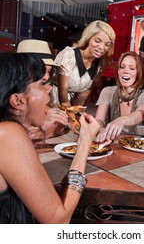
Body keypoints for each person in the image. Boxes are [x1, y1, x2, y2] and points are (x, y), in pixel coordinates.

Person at [0, 52, 100, 223]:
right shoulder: (8, 133)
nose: (49, 88)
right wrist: (85, 142)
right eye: (42, 83)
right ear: (17, 101)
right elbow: (58, 220)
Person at [50, 20, 116, 107]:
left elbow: (84, 94)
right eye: (97, 41)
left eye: (107, 44)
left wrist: (77, 114)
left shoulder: (101, 63)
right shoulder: (69, 55)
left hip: (72, 104)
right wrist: (71, 117)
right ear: (88, 38)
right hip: (54, 101)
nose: (101, 47)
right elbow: (63, 99)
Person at [95, 51, 144, 142]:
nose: (125, 71)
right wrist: (102, 130)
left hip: (138, 145)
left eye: (131, 68)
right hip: (113, 143)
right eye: (122, 67)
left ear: (138, 73)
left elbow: (142, 113)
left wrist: (121, 120)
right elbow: (99, 120)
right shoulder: (107, 91)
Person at [16, 39, 69, 140]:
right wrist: (42, 128)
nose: (46, 77)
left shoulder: (35, 94)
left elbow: (58, 119)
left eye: (49, 71)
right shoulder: (7, 93)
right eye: (42, 70)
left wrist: (64, 118)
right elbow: (13, 138)